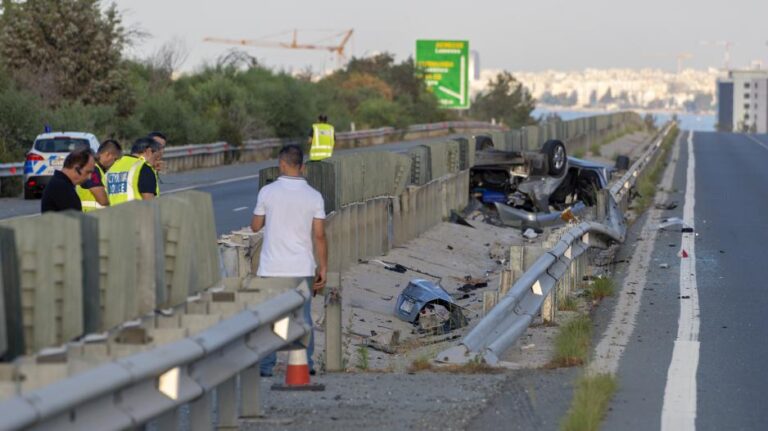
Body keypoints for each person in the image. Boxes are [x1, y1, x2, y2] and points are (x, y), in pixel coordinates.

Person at [251, 144, 328, 377]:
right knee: (303, 317)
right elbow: (319, 235)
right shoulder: (315, 196)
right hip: (301, 267)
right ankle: (306, 364)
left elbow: (255, 226)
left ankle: (266, 367)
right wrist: (322, 266)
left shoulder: (268, 192)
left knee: (269, 318)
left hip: (272, 267)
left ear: (281, 164)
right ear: (302, 167)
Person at [105, 137, 161, 205]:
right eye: (155, 158)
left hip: (111, 214)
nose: (156, 162)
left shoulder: (112, 167)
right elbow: (149, 202)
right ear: (148, 152)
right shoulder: (143, 168)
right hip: (134, 214)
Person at [41, 148, 95, 213]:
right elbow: (76, 220)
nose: (89, 177)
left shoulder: (60, 184)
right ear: (77, 168)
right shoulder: (61, 187)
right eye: (88, 172)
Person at [75, 139, 122, 212]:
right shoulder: (93, 170)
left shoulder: (98, 169)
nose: (115, 163)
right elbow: (102, 200)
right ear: (107, 154)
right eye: (115, 159)